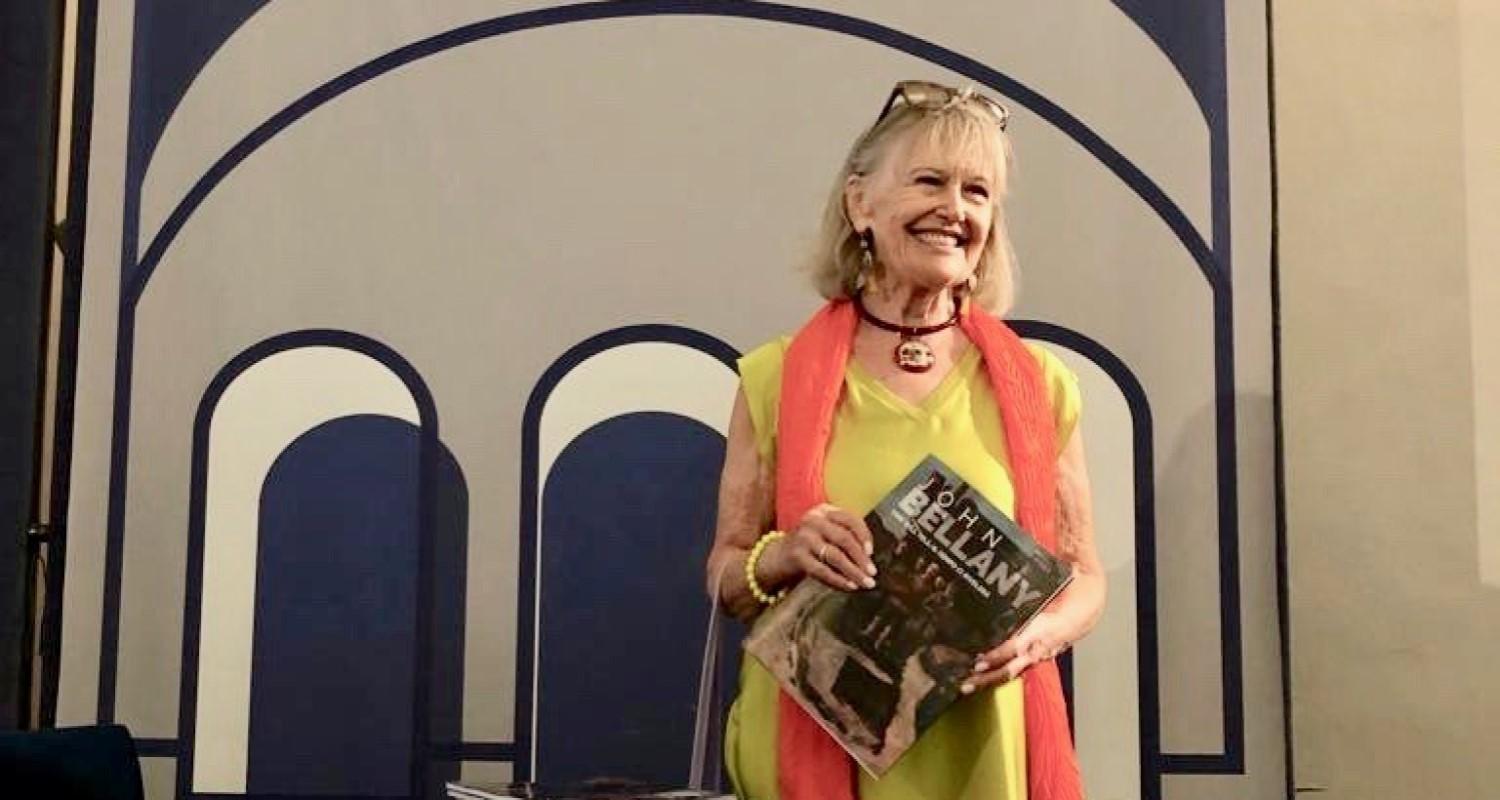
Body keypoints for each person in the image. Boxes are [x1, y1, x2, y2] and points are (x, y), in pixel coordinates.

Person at [704, 80, 1106, 800]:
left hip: (985, 756)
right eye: (930, 181)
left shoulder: (1042, 385)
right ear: (862, 204)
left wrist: (1035, 638)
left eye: (977, 192)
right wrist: (787, 553)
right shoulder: (772, 377)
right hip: (810, 757)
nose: (955, 210)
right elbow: (726, 576)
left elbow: (1084, 579)